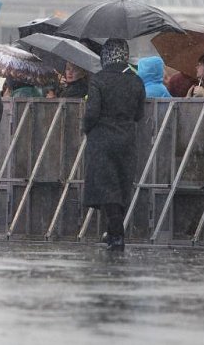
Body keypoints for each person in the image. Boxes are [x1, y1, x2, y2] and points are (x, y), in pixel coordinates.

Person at [82, 39, 146, 252]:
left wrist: (86, 128)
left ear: (105, 56)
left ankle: (116, 233)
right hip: (127, 139)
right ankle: (113, 231)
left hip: (102, 139)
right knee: (120, 185)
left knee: (106, 187)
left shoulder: (99, 80)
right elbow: (139, 114)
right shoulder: (136, 81)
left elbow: (91, 113)